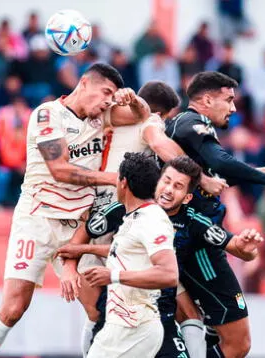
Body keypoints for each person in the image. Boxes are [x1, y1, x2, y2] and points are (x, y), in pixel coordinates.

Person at [0, 63, 148, 358]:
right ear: (83, 83)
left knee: (100, 309)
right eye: (105, 92)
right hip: (37, 218)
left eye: (111, 96)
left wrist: (133, 98)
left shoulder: (101, 115)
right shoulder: (47, 115)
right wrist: (113, 179)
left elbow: (141, 117)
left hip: (77, 225)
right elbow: (60, 169)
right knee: (14, 307)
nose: (107, 100)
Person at [62, 81, 227, 358]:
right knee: (185, 309)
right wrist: (203, 179)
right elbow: (161, 145)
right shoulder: (151, 123)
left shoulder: (108, 116)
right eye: (169, 116)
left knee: (96, 312)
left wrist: (77, 255)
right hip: (124, 209)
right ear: (161, 113)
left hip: (98, 208)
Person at [58, 156, 265, 358]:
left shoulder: (191, 221)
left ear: (187, 197)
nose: (168, 189)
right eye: (166, 181)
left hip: (157, 316)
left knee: (193, 316)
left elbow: (236, 247)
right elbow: (102, 239)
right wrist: (74, 261)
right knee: (99, 318)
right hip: (126, 314)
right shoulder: (128, 207)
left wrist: (246, 247)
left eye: (177, 186)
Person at [164, 71, 265, 355]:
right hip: (199, 246)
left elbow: (213, 175)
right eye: (229, 100)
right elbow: (219, 162)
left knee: (199, 330)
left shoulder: (187, 130)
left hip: (193, 237)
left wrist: (255, 174)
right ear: (207, 99)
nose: (234, 108)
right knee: (237, 343)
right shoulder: (192, 123)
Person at [79, 153, 179, 358]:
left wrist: (113, 276)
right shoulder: (135, 217)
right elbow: (132, 256)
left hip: (133, 327)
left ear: (123, 183)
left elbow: (169, 274)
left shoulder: (151, 220)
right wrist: (83, 249)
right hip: (126, 325)